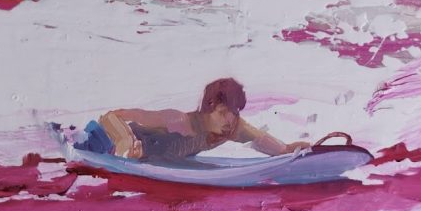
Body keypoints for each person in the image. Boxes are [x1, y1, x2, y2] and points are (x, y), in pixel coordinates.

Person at [74, 78, 311, 161]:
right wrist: (125, 141)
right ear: (207, 109)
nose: (229, 120)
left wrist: (287, 150)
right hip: (108, 141)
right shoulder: (176, 121)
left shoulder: (231, 128)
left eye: (234, 112)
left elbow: (262, 141)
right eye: (222, 112)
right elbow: (113, 116)